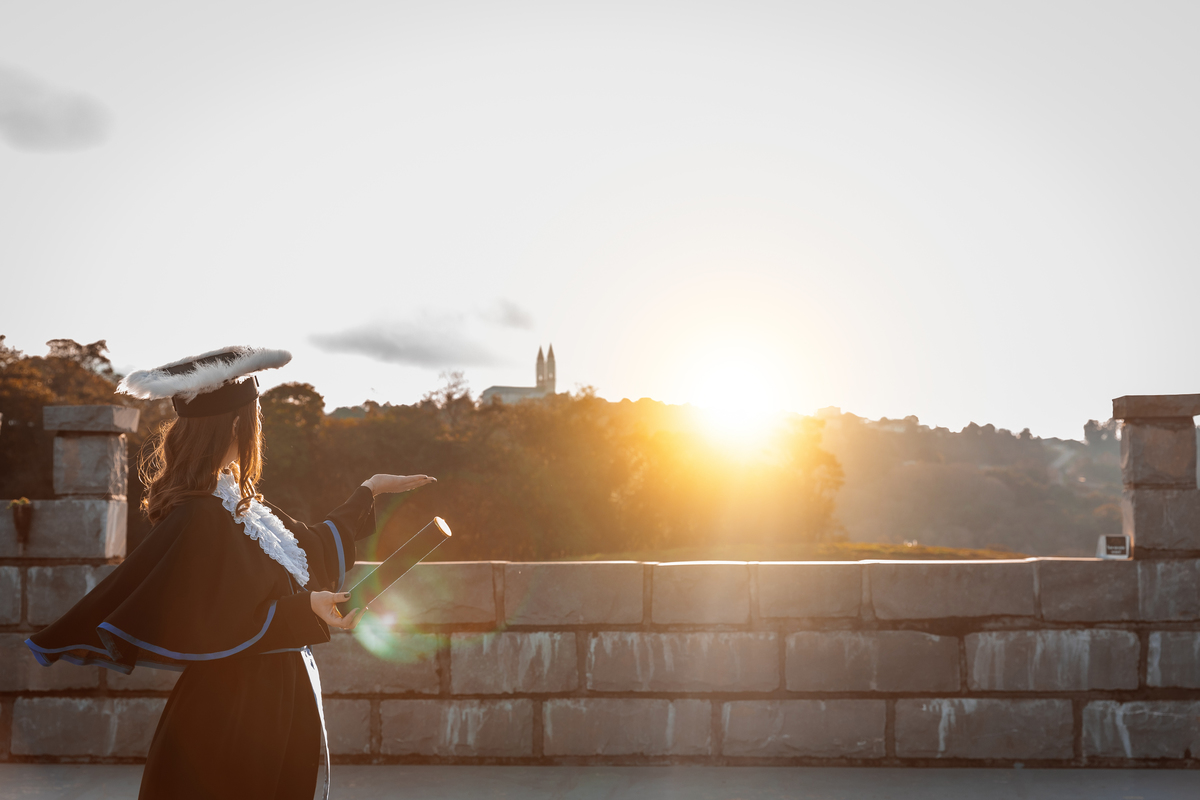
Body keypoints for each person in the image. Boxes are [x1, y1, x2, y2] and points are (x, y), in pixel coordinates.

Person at [24, 346, 435, 800]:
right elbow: (216, 620)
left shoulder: (244, 504)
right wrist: (305, 608)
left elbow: (311, 549)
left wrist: (368, 491)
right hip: (235, 710)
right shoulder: (200, 516)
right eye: (255, 417)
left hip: (279, 696)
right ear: (239, 424)